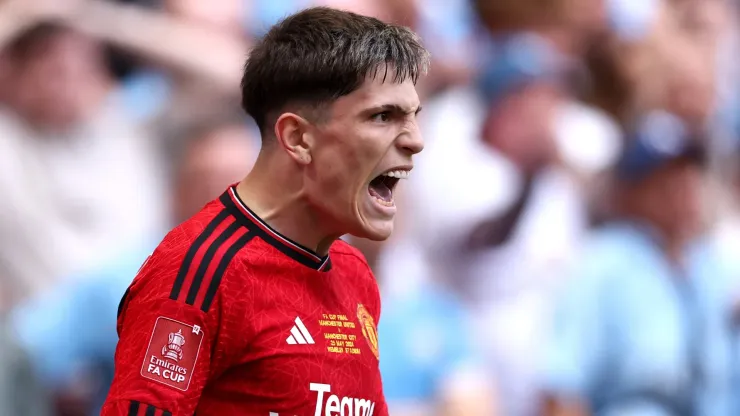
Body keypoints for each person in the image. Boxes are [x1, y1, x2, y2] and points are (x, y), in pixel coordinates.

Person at [102, 7, 428, 416]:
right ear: (297, 138)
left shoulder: (355, 273)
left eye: (415, 117)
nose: (415, 141)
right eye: (383, 116)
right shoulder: (201, 271)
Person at [541, 113, 737, 416]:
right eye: (664, 180)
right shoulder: (603, 263)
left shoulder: (710, 266)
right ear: (628, 193)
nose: (681, 189)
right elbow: (562, 387)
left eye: (687, 174)